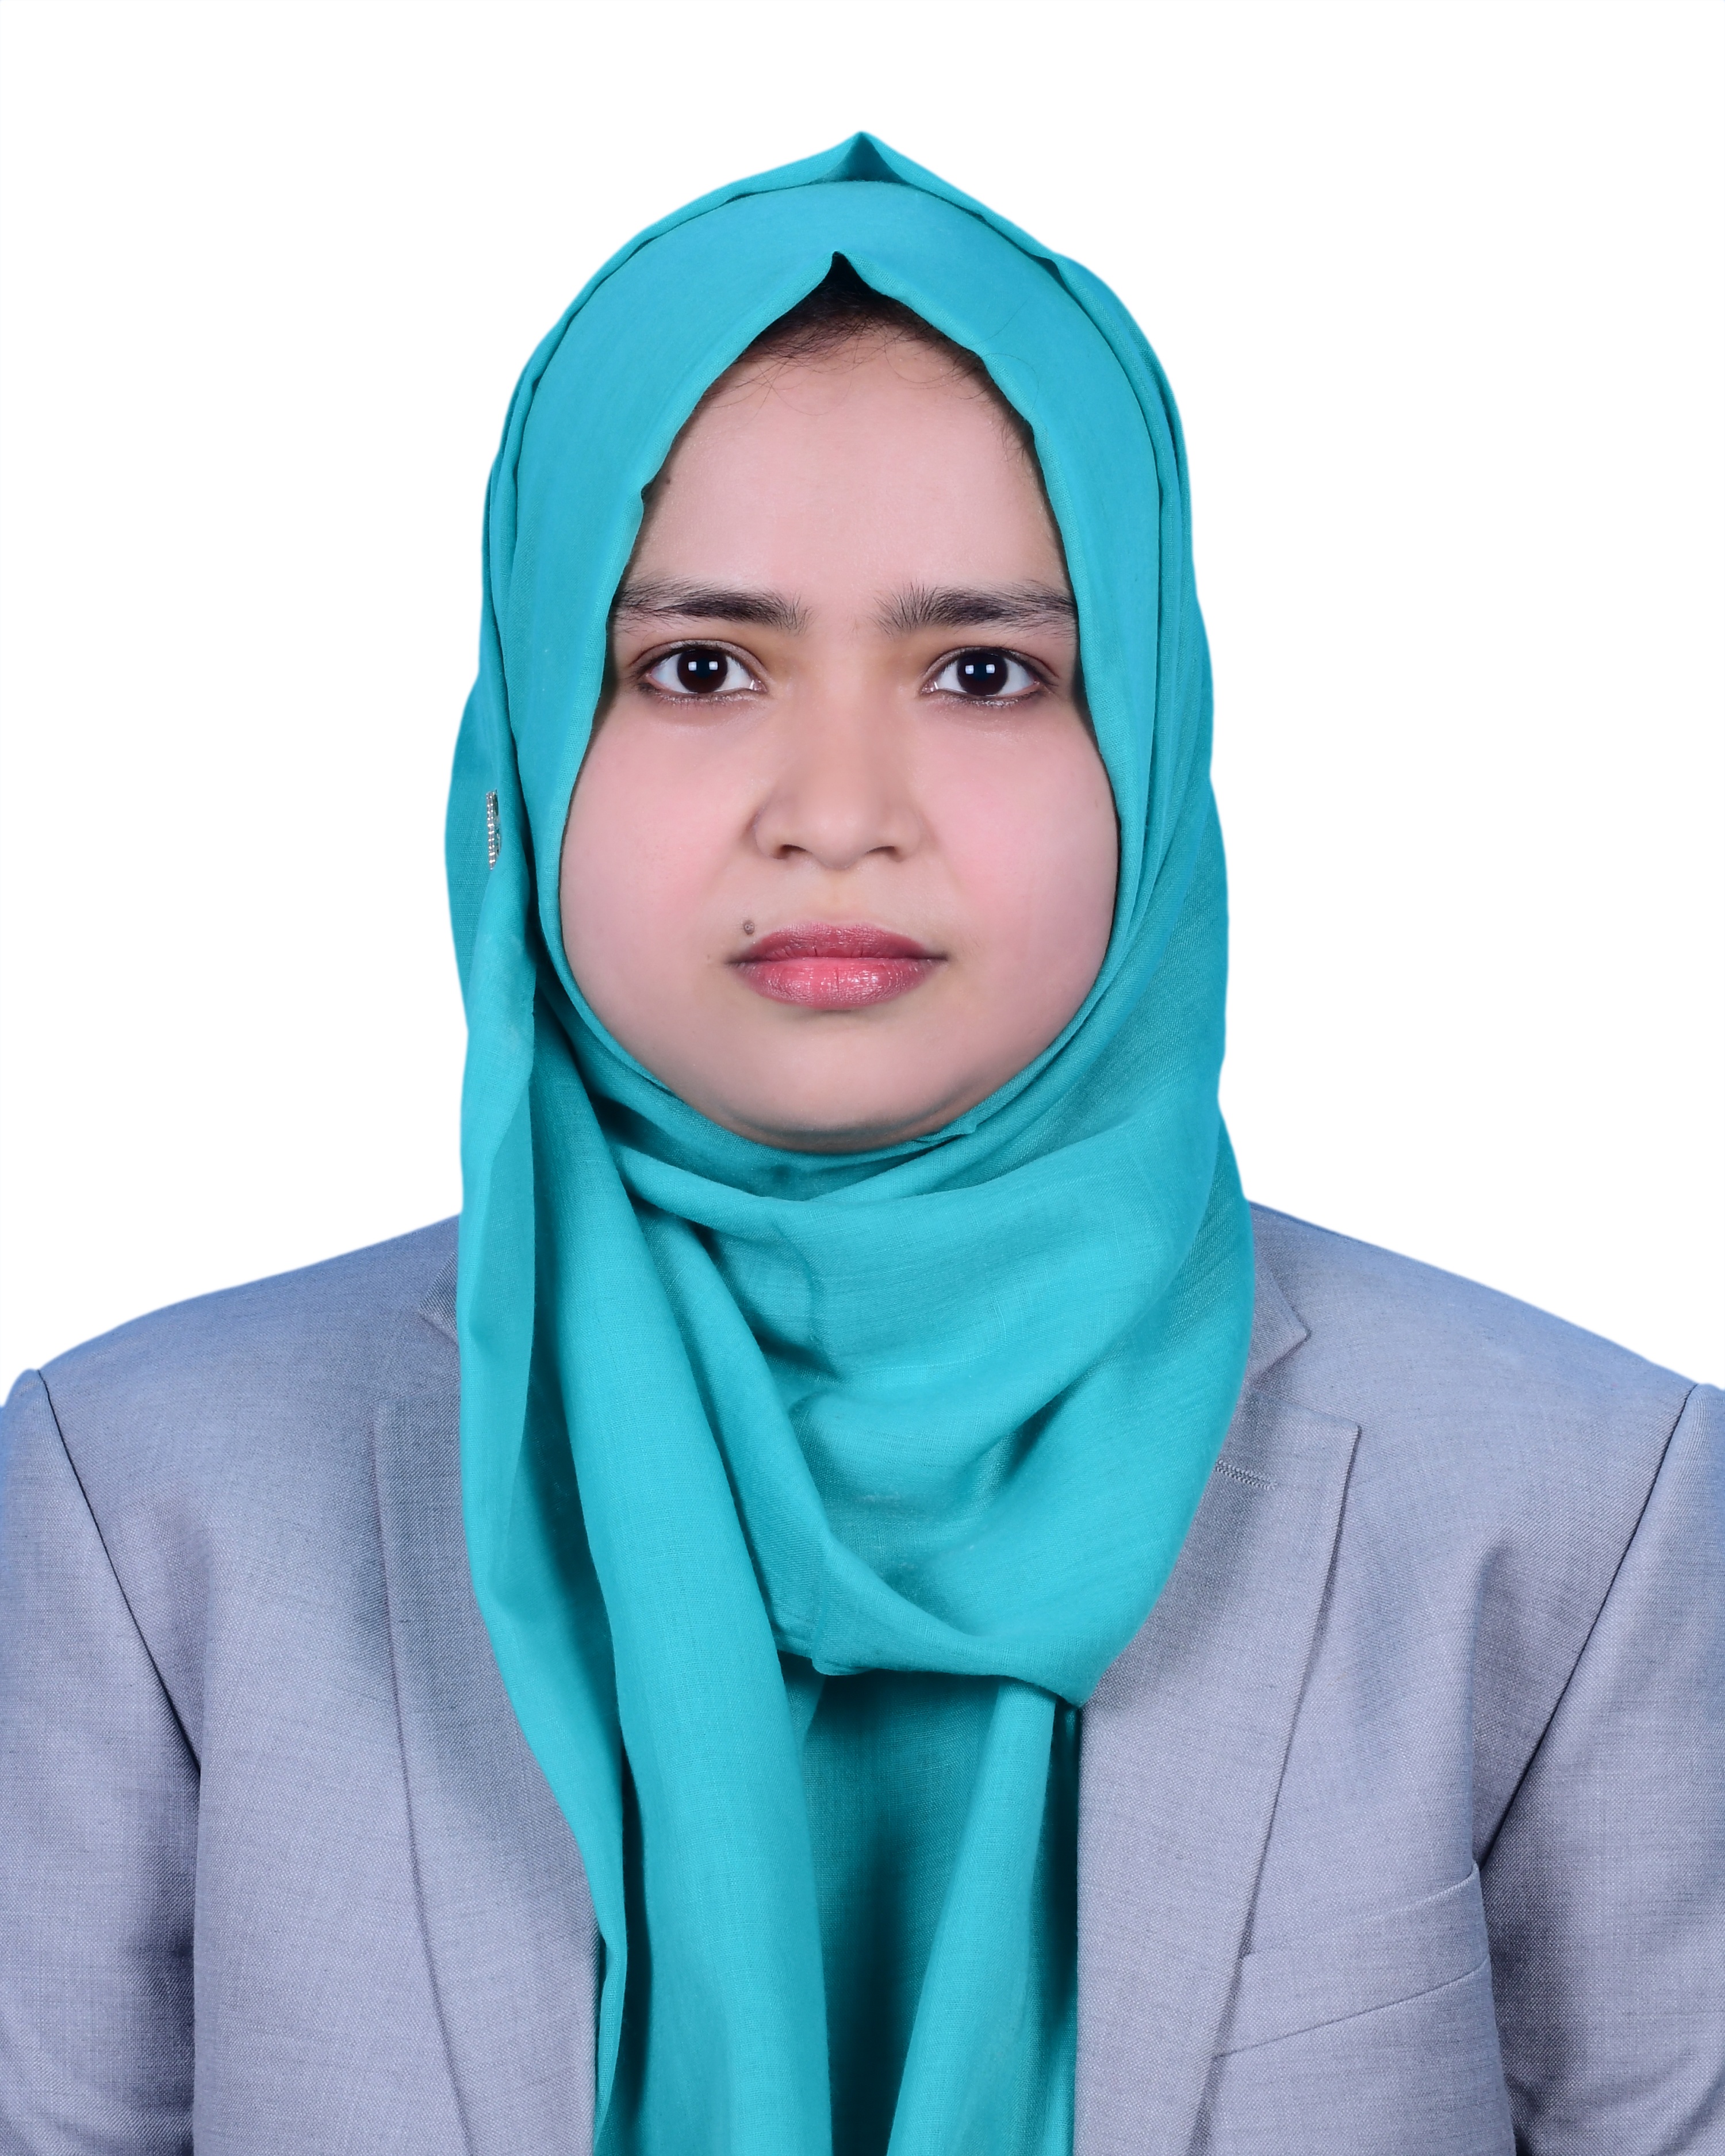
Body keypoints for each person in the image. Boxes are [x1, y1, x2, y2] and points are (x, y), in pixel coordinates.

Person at [1, 134, 1719, 2156]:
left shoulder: (1577, 1508)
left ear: (1150, 747)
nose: (836, 812)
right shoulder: (144, 1500)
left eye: (984, 673)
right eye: (699, 668)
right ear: (530, 737)